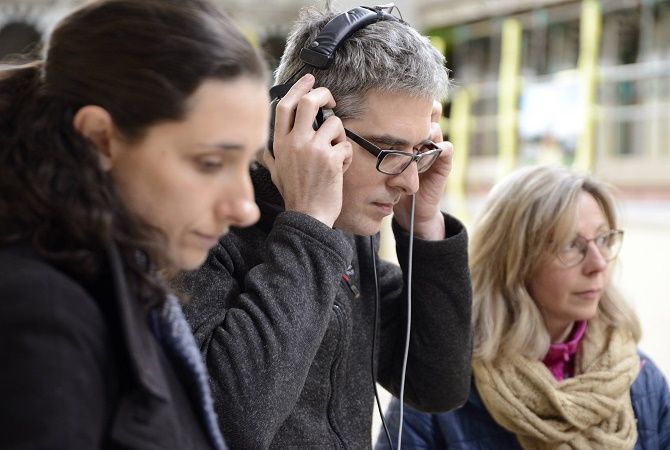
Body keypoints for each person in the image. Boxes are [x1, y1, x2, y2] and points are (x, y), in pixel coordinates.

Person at [173, 2, 473, 449]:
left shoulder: (347, 231)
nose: (409, 180)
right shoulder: (198, 228)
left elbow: (436, 385)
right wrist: (309, 223)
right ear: (308, 124)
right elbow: (228, 424)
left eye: (419, 151)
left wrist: (424, 225)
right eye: (390, 150)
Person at [0, 0, 269, 448]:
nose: (245, 207)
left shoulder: (113, 275)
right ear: (98, 139)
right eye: (210, 162)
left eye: (249, 164)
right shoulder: (40, 312)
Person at [377, 165, 670, 449]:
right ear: (513, 261)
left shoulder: (638, 380)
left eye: (604, 239)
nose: (598, 263)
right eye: (571, 244)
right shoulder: (438, 382)